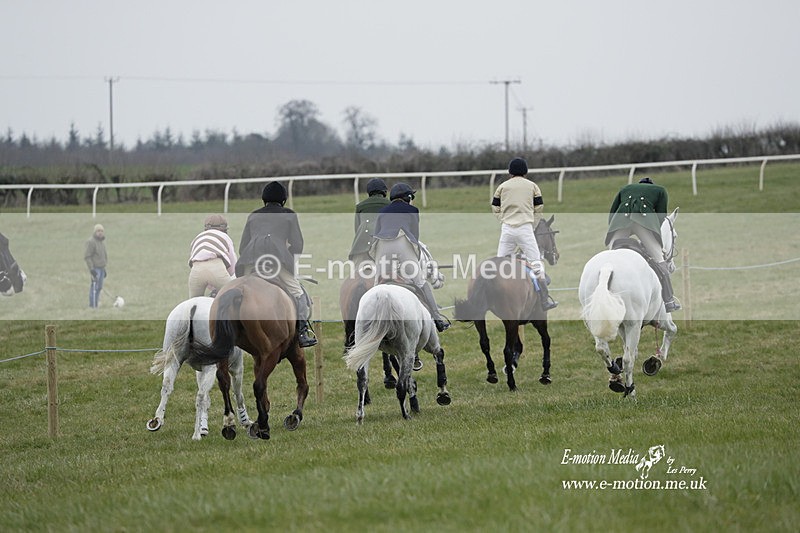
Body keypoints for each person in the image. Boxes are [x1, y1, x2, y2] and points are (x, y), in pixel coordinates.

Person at [237, 181, 317, 347]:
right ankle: (302, 332)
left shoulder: (253, 215)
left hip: (250, 260)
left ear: (264, 199)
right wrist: (289, 258)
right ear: (283, 200)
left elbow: (243, 246)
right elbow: (297, 244)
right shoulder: (289, 214)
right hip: (276, 261)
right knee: (298, 293)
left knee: (236, 290)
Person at [372, 182, 450, 332]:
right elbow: (415, 236)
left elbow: (377, 232)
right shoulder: (413, 210)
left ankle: (369, 322)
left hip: (381, 245)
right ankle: (437, 319)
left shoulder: (382, 211)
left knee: (377, 285)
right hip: (402, 241)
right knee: (421, 283)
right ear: (408, 197)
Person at [606, 176, 681, 312]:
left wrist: (614, 227)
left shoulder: (625, 188)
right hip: (643, 222)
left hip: (620, 221)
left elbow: (612, 212)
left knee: (609, 257)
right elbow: (661, 216)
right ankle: (669, 300)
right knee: (660, 261)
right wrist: (653, 234)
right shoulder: (660, 190)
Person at [492, 157, 558, 312]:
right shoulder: (532, 186)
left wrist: (503, 219)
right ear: (525, 172)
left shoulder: (502, 186)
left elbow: (495, 207)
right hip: (525, 229)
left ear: (510, 172)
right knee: (536, 263)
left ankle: (494, 296)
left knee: (499, 263)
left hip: (507, 229)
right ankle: (545, 299)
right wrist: (532, 224)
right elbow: (539, 207)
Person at [188, 214, 236, 297]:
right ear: (224, 229)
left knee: (193, 301)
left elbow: (192, 260)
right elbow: (232, 267)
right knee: (232, 297)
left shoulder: (198, 237)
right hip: (217, 267)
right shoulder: (225, 237)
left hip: (196, 269)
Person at [349, 178, 390, 266]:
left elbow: (357, 229)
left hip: (361, 247)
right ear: (385, 192)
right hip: (384, 247)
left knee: (357, 272)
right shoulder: (390, 205)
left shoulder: (360, 206)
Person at [84, 224, 108, 308]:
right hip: (95, 268)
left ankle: (96, 304)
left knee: (99, 287)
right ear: (95, 232)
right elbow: (87, 256)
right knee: (94, 287)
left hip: (101, 268)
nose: (100, 233)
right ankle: (92, 305)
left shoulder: (102, 242)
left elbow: (103, 256)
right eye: (98, 231)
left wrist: (104, 269)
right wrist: (92, 269)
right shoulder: (91, 242)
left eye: (101, 231)